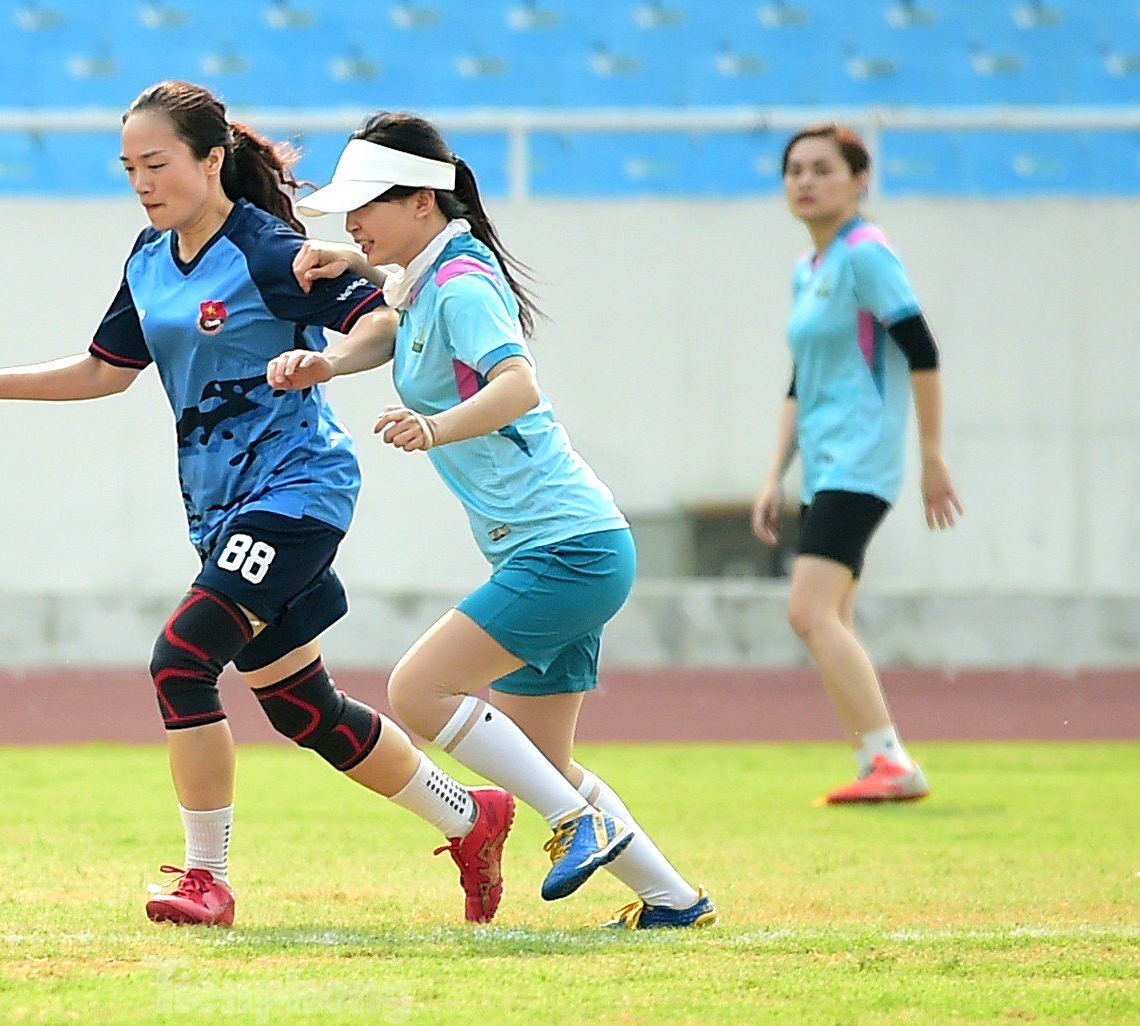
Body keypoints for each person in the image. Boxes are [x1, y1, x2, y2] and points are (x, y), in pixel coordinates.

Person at [0, 81, 526, 928]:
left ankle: (206, 879)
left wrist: (334, 357)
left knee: (180, 659)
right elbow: (103, 370)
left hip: (296, 492)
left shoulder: (270, 250)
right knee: (300, 705)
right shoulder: (149, 257)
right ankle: (470, 816)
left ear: (209, 159)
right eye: (128, 168)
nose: (142, 182)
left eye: (155, 163)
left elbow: (379, 316)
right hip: (220, 510)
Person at [274, 112, 716, 928]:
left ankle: (577, 823)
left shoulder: (461, 285)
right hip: (576, 543)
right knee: (542, 760)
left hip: (563, 550)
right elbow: (402, 317)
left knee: (418, 687)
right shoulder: (437, 272)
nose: (352, 222)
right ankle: (672, 899)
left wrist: (433, 427)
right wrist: (332, 350)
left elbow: (517, 385)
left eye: (365, 206)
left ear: (421, 202)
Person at [752, 123, 963, 805]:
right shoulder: (804, 267)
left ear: (858, 179)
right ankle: (877, 760)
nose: (805, 181)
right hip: (821, 463)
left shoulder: (866, 254)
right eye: (794, 170)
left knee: (807, 611)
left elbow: (921, 350)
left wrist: (931, 454)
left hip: (859, 458)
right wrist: (772, 474)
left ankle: (889, 759)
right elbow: (798, 378)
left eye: (822, 168)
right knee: (830, 614)